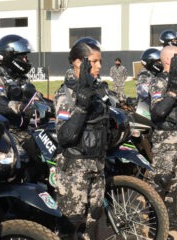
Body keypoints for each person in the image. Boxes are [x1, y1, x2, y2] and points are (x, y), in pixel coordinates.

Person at [53, 37, 109, 239]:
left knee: (93, 218)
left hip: (97, 166)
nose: (99, 66)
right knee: (71, 225)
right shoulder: (65, 94)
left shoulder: (98, 88)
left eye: (99, 61)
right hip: (75, 170)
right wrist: (81, 106)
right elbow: (65, 136)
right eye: (94, 62)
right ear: (78, 62)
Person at [0, 34, 45, 181]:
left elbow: (39, 99)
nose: (26, 61)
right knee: (23, 161)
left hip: (25, 130)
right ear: (10, 57)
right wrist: (21, 107)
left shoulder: (22, 79)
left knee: (47, 155)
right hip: (5, 133)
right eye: (23, 57)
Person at [147, 45, 177, 232]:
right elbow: (158, 112)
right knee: (161, 181)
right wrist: (173, 91)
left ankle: (170, 219)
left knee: (176, 182)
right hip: (166, 140)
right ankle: (154, 221)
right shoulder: (158, 82)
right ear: (167, 60)